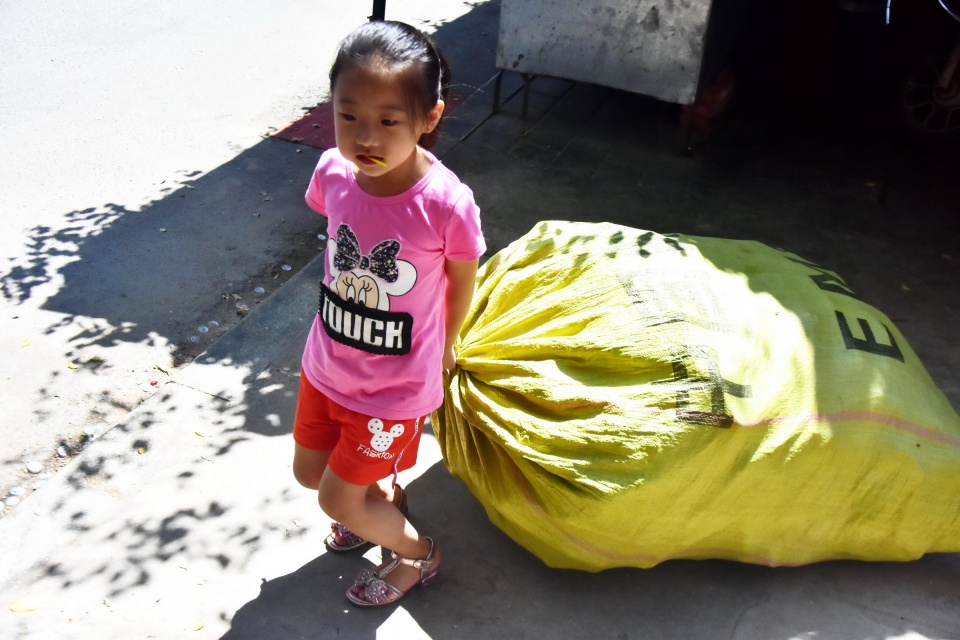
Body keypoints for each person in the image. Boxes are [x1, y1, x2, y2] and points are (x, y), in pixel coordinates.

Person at [291, 20, 485, 607]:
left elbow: (461, 281)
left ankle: (417, 554)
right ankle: (374, 509)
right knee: (310, 473)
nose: (365, 138)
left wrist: (448, 343)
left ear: (429, 118)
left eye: (388, 121)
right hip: (325, 367)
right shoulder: (331, 173)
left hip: (392, 390)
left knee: (334, 498)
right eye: (348, 116)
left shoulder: (446, 205)